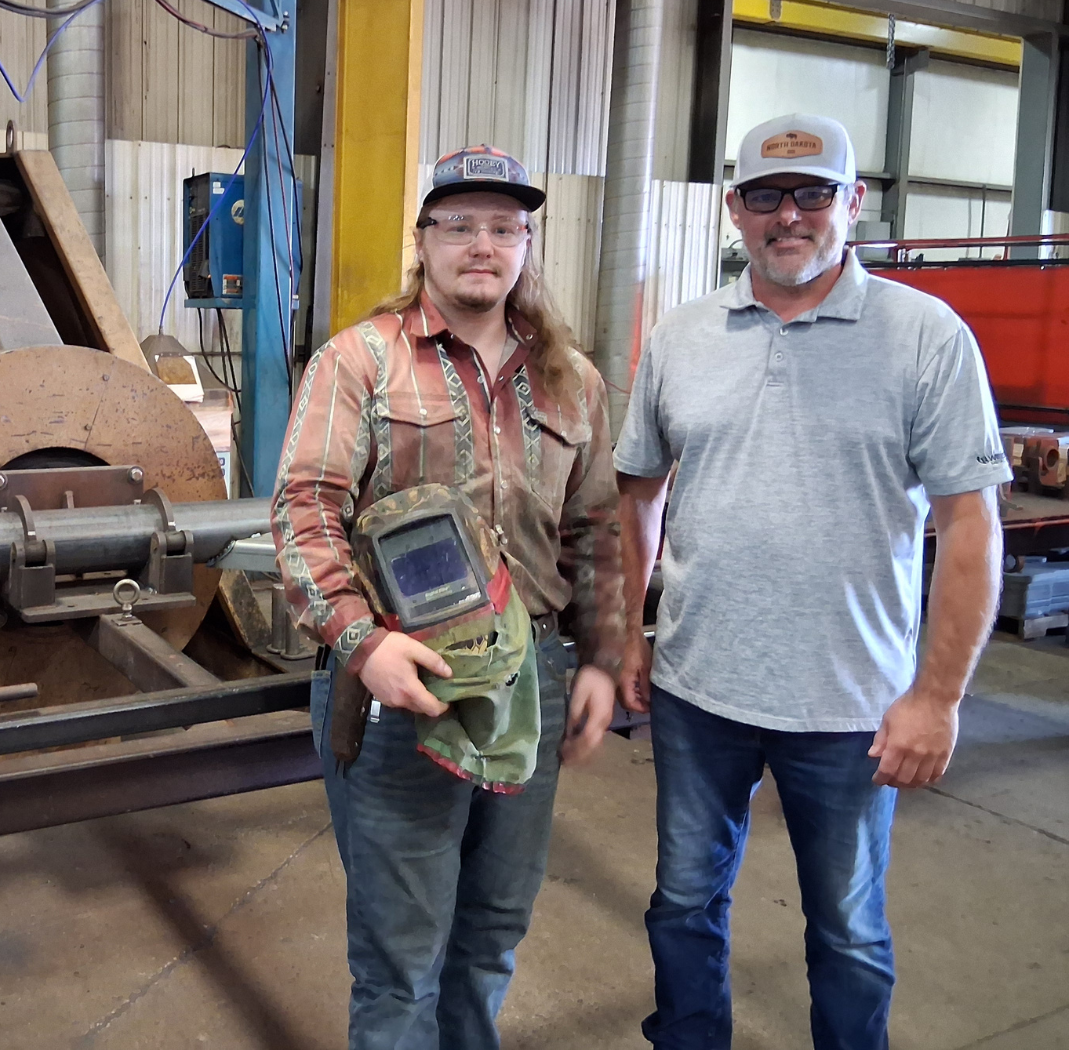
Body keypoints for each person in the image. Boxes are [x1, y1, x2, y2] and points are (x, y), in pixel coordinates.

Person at [614, 113, 1009, 1050]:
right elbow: (637, 497)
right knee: (681, 903)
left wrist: (938, 698)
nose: (787, 216)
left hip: (852, 710)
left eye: (813, 193)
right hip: (699, 693)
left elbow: (969, 526)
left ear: (854, 203)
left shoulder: (925, 338)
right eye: (764, 196)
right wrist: (629, 632)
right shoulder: (681, 337)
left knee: (847, 931)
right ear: (734, 209)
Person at [271, 144, 627, 1050]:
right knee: (401, 957)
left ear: (526, 245)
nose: (483, 243)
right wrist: (362, 643)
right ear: (422, 240)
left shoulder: (569, 380)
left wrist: (602, 659)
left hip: (534, 679)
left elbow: (595, 533)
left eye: (505, 227)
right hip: (403, 682)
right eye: (460, 223)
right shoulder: (359, 362)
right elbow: (304, 511)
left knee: (492, 935)